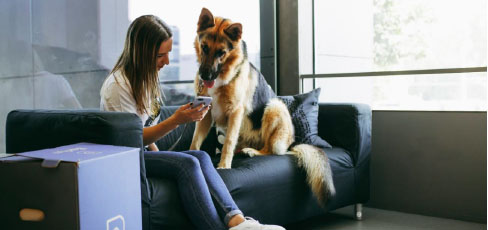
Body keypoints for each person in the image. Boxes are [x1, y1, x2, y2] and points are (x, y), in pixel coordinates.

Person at [100, 15, 285, 230]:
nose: (167, 61)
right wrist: (176, 121)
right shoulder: (117, 87)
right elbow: (133, 138)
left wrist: (160, 152)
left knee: (201, 156)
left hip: (143, 154)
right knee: (186, 164)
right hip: (126, 160)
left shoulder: (146, 78)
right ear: (142, 52)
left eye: (169, 53)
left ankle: (239, 222)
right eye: (161, 55)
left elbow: (145, 126)